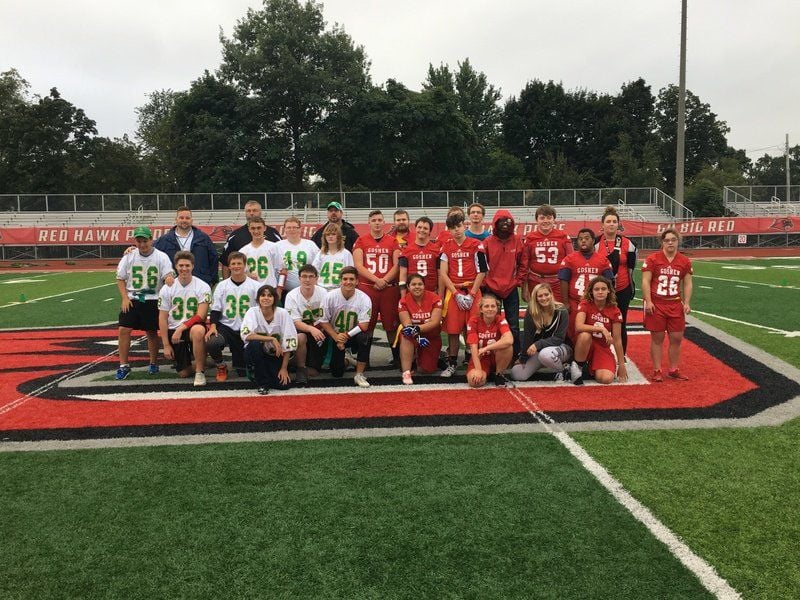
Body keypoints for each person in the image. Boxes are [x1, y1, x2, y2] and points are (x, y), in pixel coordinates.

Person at [114, 226, 175, 380]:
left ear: (151, 240)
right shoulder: (129, 256)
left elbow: (168, 276)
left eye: (145, 241)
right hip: (134, 298)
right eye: (139, 241)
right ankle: (123, 365)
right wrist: (125, 298)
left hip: (153, 299)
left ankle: (153, 363)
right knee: (123, 329)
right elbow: (120, 278)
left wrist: (168, 279)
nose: (142, 244)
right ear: (135, 241)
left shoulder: (161, 257)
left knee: (152, 332)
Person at [438, 212, 488, 377]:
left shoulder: (475, 245)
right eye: (453, 228)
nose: (456, 230)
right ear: (449, 230)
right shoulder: (446, 246)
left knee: (475, 327)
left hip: (472, 289)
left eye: (458, 226)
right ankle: (452, 363)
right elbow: (443, 273)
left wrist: (472, 294)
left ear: (464, 225)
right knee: (453, 330)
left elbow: (482, 270)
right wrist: (455, 293)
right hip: (454, 291)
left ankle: (475, 360)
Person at [641, 228, 693, 382]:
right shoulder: (653, 259)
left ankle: (673, 369)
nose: (670, 242)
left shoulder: (684, 261)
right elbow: (645, 281)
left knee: (676, 337)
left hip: (675, 303)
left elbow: (688, 284)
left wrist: (687, 302)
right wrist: (648, 301)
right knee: (657, 338)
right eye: (667, 240)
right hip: (657, 303)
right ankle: (657, 369)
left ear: (678, 241)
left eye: (673, 239)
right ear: (662, 242)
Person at [353, 210, 402, 366]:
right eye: (374, 220)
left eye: (380, 219)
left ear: (384, 222)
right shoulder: (361, 240)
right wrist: (376, 279)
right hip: (368, 287)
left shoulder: (393, 241)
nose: (377, 222)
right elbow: (358, 265)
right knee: (367, 325)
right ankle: (364, 360)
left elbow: (397, 264)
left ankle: (397, 358)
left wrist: (385, 280)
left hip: (388, 288)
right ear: (369, 223)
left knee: (391, 325)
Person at [158, 251, 212, 386]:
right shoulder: (167, 288)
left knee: (199, 330)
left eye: (187, 265)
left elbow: (201, 315)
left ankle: (200, 372)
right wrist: (165, 345)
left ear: (193, 266)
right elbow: (163, 318)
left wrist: (182, 327)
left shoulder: (202, 286)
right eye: (181, 265)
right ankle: (202, 360)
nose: (184, 269)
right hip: (174, 329)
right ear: (176, 267)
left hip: (191, 327)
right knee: (184, 373)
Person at [205, 251, 261, 381]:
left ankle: (246, 363)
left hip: (247, 327)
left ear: (245, 265)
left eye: (239, 263)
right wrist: (213, 326)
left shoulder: (256, 286)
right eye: (233, 264)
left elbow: (260, 310)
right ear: (229, 266)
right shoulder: (222, 286)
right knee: (212, 342)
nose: (236, 266)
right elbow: (216, 310)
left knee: (242, 371)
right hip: (227, 326)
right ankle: (221, 366)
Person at [483, 209, 527, 360]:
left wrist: (518, 281)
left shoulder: (517, 240)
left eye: (508, 222)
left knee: (513, 324)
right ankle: (492, 354)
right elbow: (481, 266)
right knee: (491, 323)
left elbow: (523, 263)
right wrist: (486, 283)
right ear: (495, 224)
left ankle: (515, 356)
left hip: (510, 288)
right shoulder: (488, 242)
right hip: (491, 289)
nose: (505, 225)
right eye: (501, 222)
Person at [319, 267, 373, 387]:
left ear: (357, 281)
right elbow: (323, 321)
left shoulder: (364, 298)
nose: (348, 282)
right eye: (345, 279)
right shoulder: (330, 297)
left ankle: (359, 374)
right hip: (335, 334)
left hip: (353, 335)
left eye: (351, 279)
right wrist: (336, 337)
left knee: (365, 337)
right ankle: (348, 360)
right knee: (337, 372)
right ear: (340, 281)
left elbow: (364, 325)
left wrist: (346, 336)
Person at [568, 276, 628, 386]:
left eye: (603, 289)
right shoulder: (585, 304)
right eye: (596, 289)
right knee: (585, 336)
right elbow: (579, 326)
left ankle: (589, 368)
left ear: (609, 290)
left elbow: (617, 339)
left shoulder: (615, 310)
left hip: (602, 347)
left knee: (606, 379)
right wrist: (601, 329)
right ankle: (578, 367)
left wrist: (622, 364)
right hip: (585, 343)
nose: (600, 292)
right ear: (591, 291)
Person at [240, 284, 298, 395]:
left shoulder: (283, 313)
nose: (266, 298)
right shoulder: (252, 311)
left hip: (274, 355)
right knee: (255, 343)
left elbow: (289, 342)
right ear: (258, 299)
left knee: (283, 386)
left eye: (270, 295)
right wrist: (270, 338)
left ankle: (265, 374)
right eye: (263, 295)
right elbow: (246, 335)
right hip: (255, 354)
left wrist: (284, 368)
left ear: (275, 298)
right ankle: (262, 383)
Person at [558, 228, 614, 341]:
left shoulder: (603, 260)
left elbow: (609, 283)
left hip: (594, 303)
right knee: (572, 331)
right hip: (575, 301)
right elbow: (563, 280)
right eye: (580, 239)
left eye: (587, 238)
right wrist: (565, 302)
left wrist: (608, 302)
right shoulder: (569, 259)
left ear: (593, 241)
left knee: (593, 332)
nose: (583, 241)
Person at [510, 283, 572, 382]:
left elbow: (559, 338)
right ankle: (543, 363)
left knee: (545, 355)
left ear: (551, 294)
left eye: (546, 294)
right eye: (540, 296)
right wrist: (523, 358)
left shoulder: (561, 310)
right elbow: (528, 336)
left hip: (562, 348)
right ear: (536, 298)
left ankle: (563, 370)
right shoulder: (532, 311)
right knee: (517, 374)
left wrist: (538, 344)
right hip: (539, 351)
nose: (544, 298)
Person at [596, 206, 637, 355]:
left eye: (614, 221)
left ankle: (622, 355)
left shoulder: (628, 243)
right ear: (602, 225)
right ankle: (600, 354)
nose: (611, 224)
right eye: (608, 221)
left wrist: (631, 285)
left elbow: (632, 267)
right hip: (601, 290)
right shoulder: (596, 243)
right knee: (599, 321)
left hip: (622, 288)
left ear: (618, 224)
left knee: (621, 321)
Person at [284, 264, 328, 384]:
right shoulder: (292, 295)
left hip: (319, 329)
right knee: (301, 337)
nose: (307, 280)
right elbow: (295, 322)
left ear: (316, 278)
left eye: (311, 276)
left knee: (314, 372)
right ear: (299, 278)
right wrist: (311, 329)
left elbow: (327, 317)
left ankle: (293, 361)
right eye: (304, 276)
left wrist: (317, 329)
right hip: (300, 330)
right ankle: (301, 368)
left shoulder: (323, 293)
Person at [154, 206, 219, 286]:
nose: (184, 220)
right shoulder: (164, 240)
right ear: (176, 220)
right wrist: (135, 250)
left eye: (187, 218)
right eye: (181, 218)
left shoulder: (203, 238)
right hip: (173, 285)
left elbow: (214, 259)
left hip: (200, 283)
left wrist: (211, 280)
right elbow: (151, 254)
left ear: (191, 220)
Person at [397, 274, 443, 385]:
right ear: (408, 287)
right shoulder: (403, 301)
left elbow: (435, 322)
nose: (417, 287)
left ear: (424, 285)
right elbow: (408, 326)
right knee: (405, 335)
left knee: (426, 370)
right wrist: (417, 336)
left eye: (420, 284)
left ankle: (418, 357)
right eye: (413, 284)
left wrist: (417, 328)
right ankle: (406, 371)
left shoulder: (435, 298)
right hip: (412, 335)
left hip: (431, 335)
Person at [523, 204, 573, 303]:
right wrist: (524, 289)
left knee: (557, 310)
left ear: (554, 220)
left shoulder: (563, 237)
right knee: (537, 312)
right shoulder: (530, 238)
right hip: (535, 280)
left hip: (557, 281)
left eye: (549, 218)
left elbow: (571, 262)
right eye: (542, 218)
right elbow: (524, 265)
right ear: (536, 220)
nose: (545, 221)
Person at [220, 200, 282, 278]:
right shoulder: (235, 235)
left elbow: (282, 264)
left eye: (254, 210)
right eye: (248, 211)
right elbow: (226, 262)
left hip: (269, 285)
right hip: (245, 284)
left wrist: (280, 287)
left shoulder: (273, 233)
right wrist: (227, 283)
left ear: (260, 212)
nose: (251, 213)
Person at [465, 294, 514, 388]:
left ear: (497, 308)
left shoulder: (500, 319)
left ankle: (499, 374)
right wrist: (478, 370)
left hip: (497, 356)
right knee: (474, 382)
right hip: (481, 358)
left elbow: (509, 340)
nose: (490, 309)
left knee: (508, 346)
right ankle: (486, 373)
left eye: (493, 306)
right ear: (481, 309)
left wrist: (486, 348)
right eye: (486, 306)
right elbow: (473, 347)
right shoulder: (473, 321)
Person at [240, 216, 287, 291]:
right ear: (249, 229)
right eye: (253, 228)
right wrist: (248, 275)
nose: (256, 231)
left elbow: (283, 270)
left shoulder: (273, 247)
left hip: (270, 289)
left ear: (264, 228)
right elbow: (240, 272)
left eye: (259, 228)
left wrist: (279, 290)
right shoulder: (243, 251)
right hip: (251, 289)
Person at [275, 216, 319, 295]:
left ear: (300, 229)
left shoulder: (310, 245)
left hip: (307, 289)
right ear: (284, 229)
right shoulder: (277, 246)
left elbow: (318, 266)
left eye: (295, 227)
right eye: (289, 227)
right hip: (284, 291)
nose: (292, 230)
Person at [398, 216, 440, 294]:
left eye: (425, 228)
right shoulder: (406, 251)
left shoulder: (437, 250)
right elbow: (402, 276)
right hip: (412, 295)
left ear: (430, 231)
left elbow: (440, 275)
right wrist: (403, 297)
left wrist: (440, 295)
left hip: (431, 293)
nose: (422, 230)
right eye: (419, 227)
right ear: (415, 229)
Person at [312, 223, 354, 291]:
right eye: (328, 234)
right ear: (324, 237)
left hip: (339, 290)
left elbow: (350, 273)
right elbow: (314, 271)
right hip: (322, 289)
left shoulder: (346, 254)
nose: (330, 236)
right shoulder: (320, 254)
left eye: (333, 234)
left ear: (339, 236)